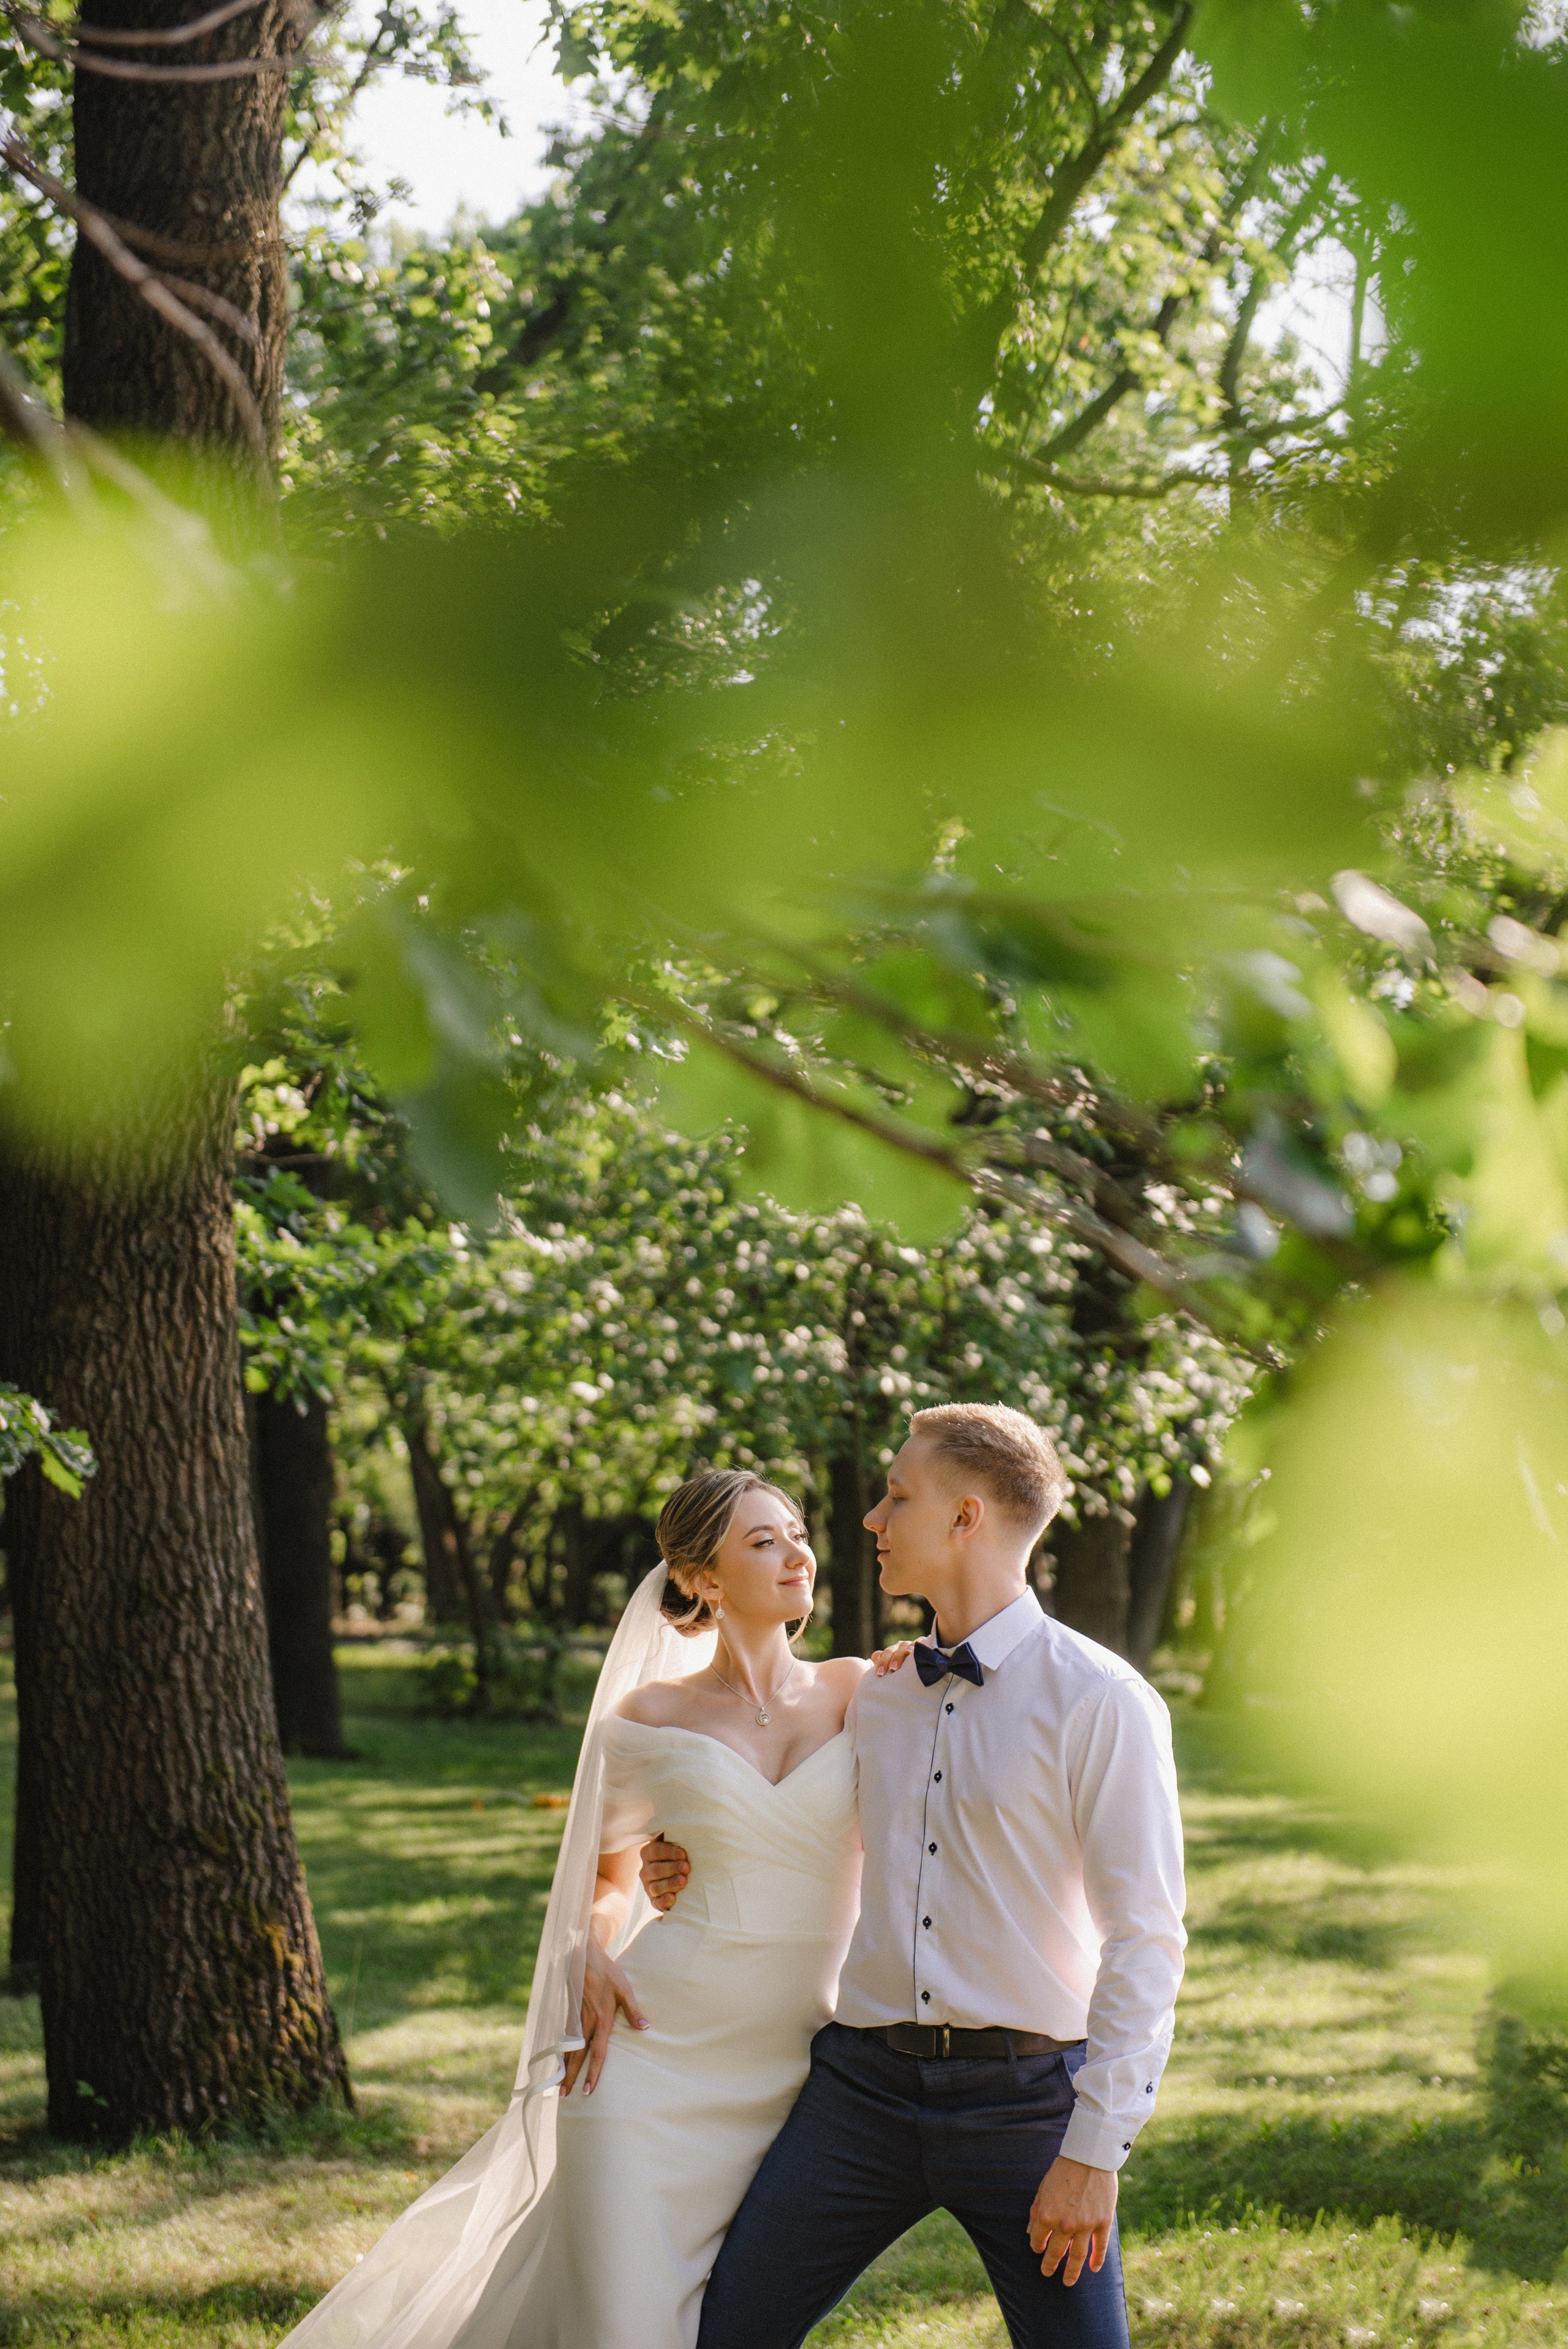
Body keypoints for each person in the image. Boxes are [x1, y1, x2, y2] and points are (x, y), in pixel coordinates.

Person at [277, 1465, 883, 2349]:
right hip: (647, 2062)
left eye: (796, 1532)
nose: (797, 1553)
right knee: (622, 2325)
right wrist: (591, 1951)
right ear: (701, 1580)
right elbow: (606, 1881)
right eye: (763, 1540)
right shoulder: (647, 1716)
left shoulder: (864, 1692)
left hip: (798, 2073)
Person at [643, 1402, 1187, 2349]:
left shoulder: (1102, 1702)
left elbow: (1148, 1937)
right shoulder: (881, 1693)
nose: (871, 1521)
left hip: (1027, 2105)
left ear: (964, 1518)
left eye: (897, 1497)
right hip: (860, 2091)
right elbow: (793, 1820)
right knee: (725, 2332)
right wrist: (681, 1853)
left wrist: (1094, 2154)